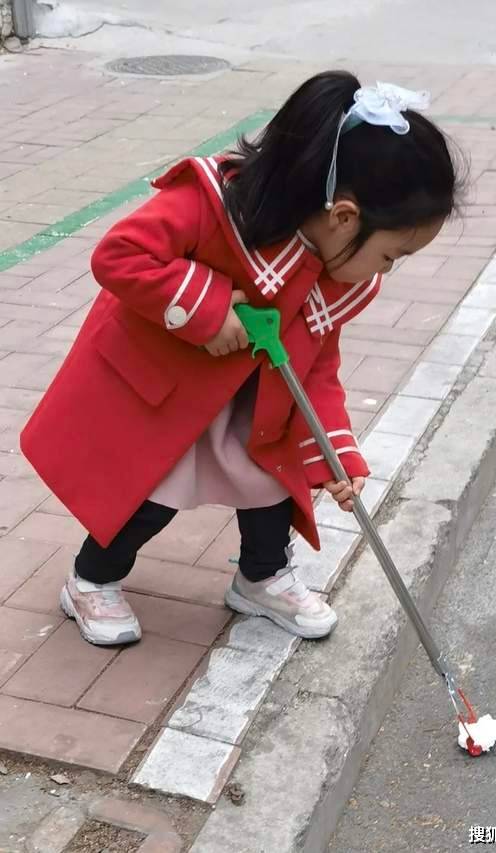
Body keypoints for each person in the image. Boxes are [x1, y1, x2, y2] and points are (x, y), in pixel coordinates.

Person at [20, 71, 461, 647]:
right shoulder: (213, 205)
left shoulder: (331, 279)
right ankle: (91, 580)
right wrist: (209, 307)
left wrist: (335, 456)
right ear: (345, 217)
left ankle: (261, 578)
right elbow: (120, 255)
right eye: (390, 254)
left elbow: (318, 369)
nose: (386, 270)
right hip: (171, 399)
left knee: (271, 487)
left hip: (254, 406)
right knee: (150, 497)